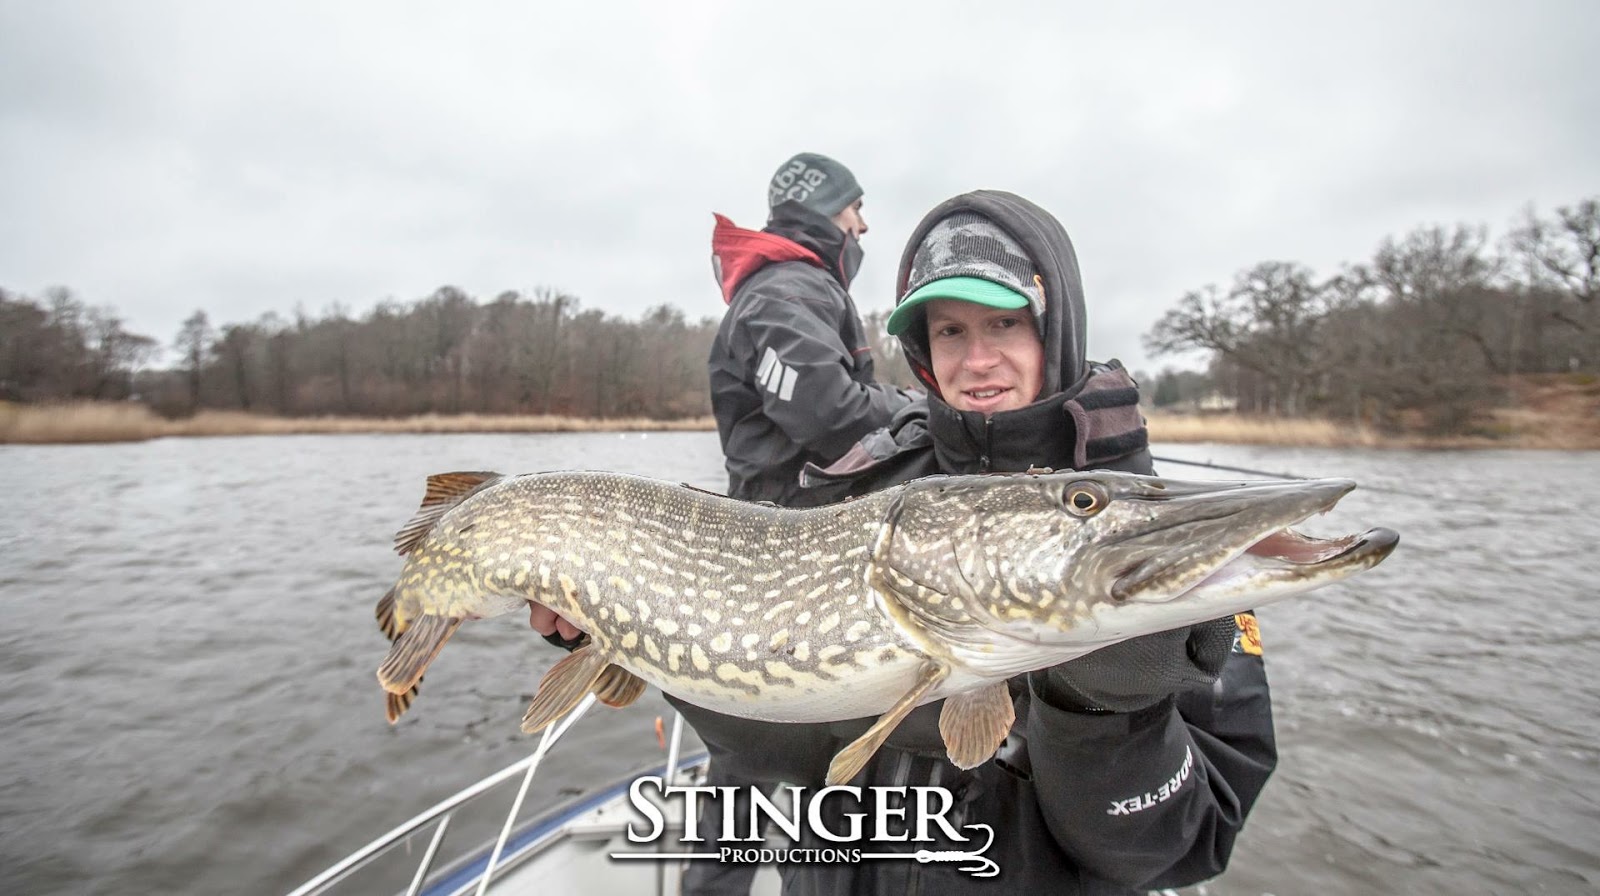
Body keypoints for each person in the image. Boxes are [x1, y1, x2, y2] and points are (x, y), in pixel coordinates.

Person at [658, 190, 1278, 893]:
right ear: (923, 352)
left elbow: (1178, 847)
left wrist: (1103, 704)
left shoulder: (1145, 531)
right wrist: (662, 638)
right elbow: (787, 761)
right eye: (950, 331)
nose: (977, 359)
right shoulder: (863, 495)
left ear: (1055, 328)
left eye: (1005, 323)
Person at [705, 151, 918, 508]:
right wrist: (921, 407)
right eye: (856, 208)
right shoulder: (786, 291)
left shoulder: (793, 285)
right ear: (827, 205)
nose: (863, 225)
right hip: (789, 518)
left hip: (800, 514)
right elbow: (830, 413)